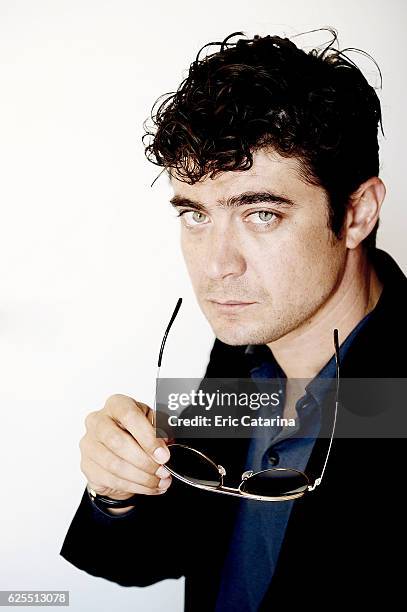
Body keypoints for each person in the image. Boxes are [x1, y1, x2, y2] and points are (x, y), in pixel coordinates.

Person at [60, 30, 406, 610]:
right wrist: (116, 490)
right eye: (196, 216)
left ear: (357, 213)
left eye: (261, 214)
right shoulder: (242, 357)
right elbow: (157, 555)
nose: (218, 266)